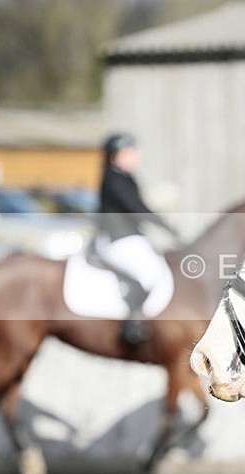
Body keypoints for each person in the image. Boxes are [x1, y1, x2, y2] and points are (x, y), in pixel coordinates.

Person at [97, 133, 178, 344]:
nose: (135, 157)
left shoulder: (125, 177)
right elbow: (135, 207)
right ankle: (132, 325)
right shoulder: (114, 179)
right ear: (116, 156)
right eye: (130, 152)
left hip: (129, 238)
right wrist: (165, 226)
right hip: (117, 240)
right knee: (149, 274)